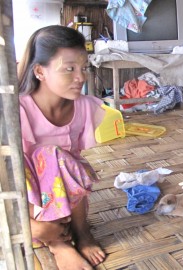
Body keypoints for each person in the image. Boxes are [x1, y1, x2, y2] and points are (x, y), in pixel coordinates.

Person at [18, 25, 106, 269]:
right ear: (40, 71)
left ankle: (81, 231)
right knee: (48, 155)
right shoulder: (19, 110)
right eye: (69, 69)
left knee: (64, 159)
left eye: (84, 68)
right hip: (30, 206)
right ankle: (58, 244)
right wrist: (32, 224)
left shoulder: (84, 107)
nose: (81, 77)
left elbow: (73, 168)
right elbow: (9, 176)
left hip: (68, 199)